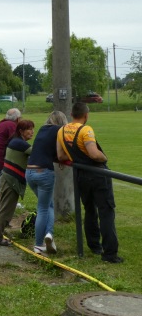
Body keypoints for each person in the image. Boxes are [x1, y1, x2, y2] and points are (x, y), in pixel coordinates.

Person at [57, 102, 123, 264]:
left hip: (81, 176)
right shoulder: (86, 130)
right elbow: (94, 154)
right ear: (86, 115)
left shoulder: (62, 130)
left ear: (72, 114)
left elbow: (61, 156)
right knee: (106, 211)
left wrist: (75, 157)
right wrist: (104, 157)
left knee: (89, 210)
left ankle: (94, 246)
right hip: (98, 175)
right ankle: (109, 254)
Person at [26, 111, 68, 255]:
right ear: (62, 121)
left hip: (29, 172)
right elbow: (60, 152)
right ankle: (40, 242)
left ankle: (49, 237)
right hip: (44, 173)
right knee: (44, 208)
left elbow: (43, 150)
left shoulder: (43, 129)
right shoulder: (60, 130)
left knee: (47, 205)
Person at [0, 119, 34, 246]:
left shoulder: (15, 141)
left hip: (6, 178)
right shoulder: (20, 144)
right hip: (11, 180)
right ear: (21, 131)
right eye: (29, 129)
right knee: (6, 210)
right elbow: (37, 153)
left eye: (32, 129)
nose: (32, 132)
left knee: (0, 208)